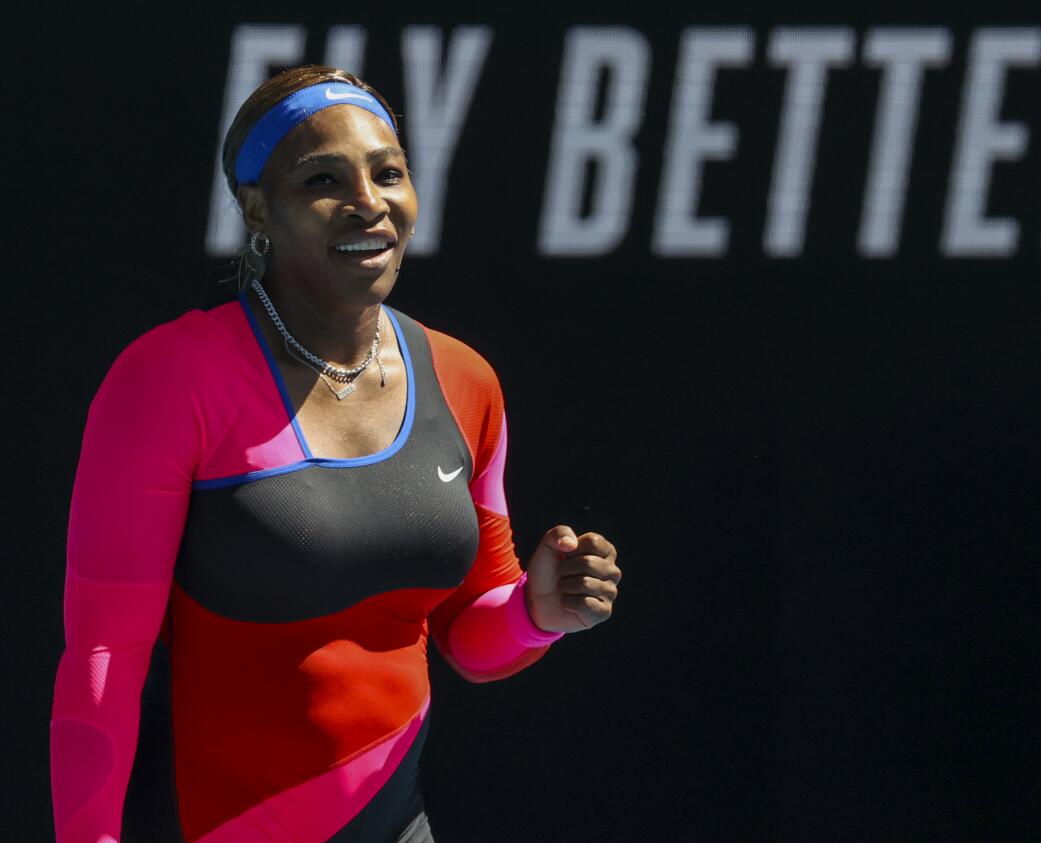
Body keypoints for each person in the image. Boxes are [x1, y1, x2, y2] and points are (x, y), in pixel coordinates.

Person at [49, 65, 621, 843]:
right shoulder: (169, 379)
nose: (369, 202)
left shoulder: (465, 379)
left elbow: (469, 637)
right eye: (324, 178)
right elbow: (103, 661)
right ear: (258, 207)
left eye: (389, 173)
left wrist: (536, 612)